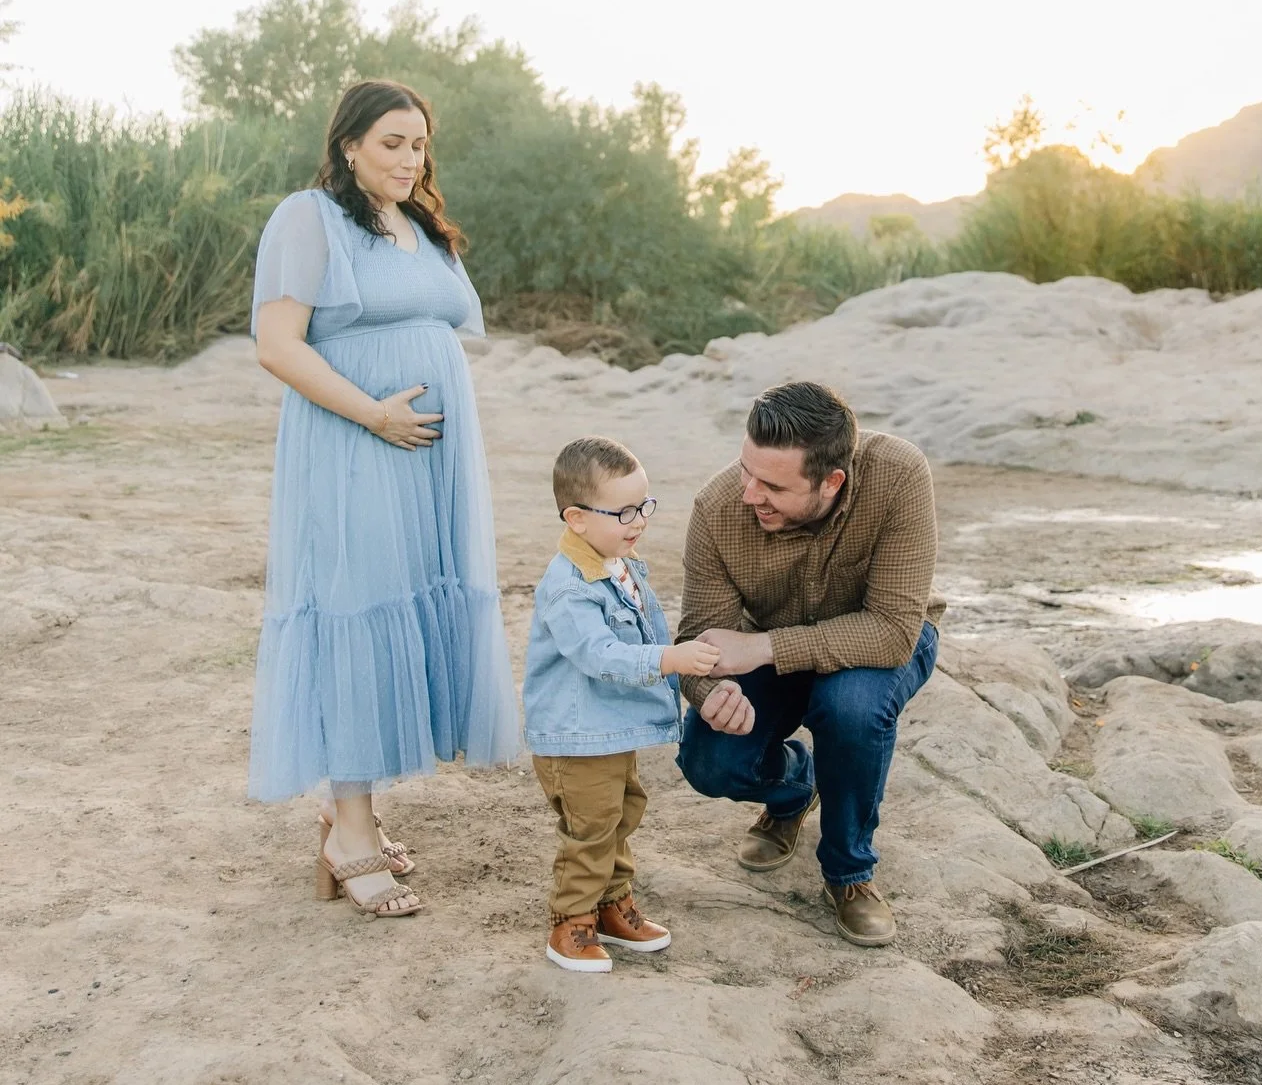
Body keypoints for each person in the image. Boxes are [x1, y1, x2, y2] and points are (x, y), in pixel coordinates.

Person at [249, 79, 519, 916]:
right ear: (349, 146)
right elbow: (275, 345)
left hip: (429, 460)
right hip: (354, 446)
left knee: (406, 604)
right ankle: (351, 833)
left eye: (419, 144)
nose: (409, 159)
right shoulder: (310, 217)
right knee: (358, 612)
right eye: (392, 143)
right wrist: (373, 415)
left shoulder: (419, 224)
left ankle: (350, 809)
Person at [674, 380, 942, 947]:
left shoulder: (898, 475)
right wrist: (711, 694)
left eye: (772, 485)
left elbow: (893, 632)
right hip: (772, 653)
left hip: (876, 646)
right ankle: (796, 790)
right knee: (708, 761)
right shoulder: (719, 507)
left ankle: (849, 872)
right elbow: (701, 640)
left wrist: (766, 648)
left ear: (832, 481)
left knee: (848, 706)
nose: (750, 493)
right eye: (746, 470)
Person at [523, 436, 721, 972]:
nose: (639, 521)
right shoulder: (570, 587)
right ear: (577, 518)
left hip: (609, 729)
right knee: (589, 826)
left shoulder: (618, 561)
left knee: (621, 811)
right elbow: (599, 655)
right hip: (576, 734)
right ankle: (572, 922)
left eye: (644, 506)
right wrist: (670, 659)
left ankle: (613, 904)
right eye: (625, 511)